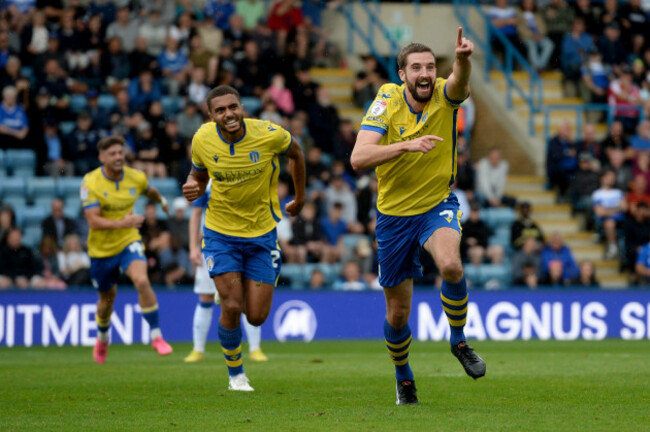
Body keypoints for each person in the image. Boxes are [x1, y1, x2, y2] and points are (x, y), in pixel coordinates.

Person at [350, 30, 486, 406]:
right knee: (398, 314)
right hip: (394, 217)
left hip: (434, 205)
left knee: (451, 264)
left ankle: (458, 340)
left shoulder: (446, 94)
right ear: (402, 75)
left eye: (430, 66)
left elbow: (458, 82)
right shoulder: (386, 101)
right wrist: (406, 145)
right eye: (416, 68)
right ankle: (403, 376)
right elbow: (358, 158)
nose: (425, 73)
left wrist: (462, 60)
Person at [182, 85, 305, 392]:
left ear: (242, 107)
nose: (229, 114)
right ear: (211, 116)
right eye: (220, 110)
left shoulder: (269, 134)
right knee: (232, 305)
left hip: (262, 235)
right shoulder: (202, 138)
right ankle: (236, 374)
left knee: (258, 317)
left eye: (233, 107)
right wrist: (191, 185)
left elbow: (297, 153)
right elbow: (197, 175)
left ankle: (243, 298)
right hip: (220, 235)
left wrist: (300, 197)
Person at [81, 135, 173, 364]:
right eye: (112, 154)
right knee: (106, 302)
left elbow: (148, 190)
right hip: (101, 250)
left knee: (142, 281)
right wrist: (121, 223)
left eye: (120, 152)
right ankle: (102, 338)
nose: (118, 157)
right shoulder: (90, 182)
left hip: (128, 240)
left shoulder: (135, 177)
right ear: (102, 157)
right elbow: (93, 221)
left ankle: (156, 336)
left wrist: (161, 200)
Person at [184, 179, 268, 364]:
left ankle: (255, 348)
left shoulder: (244, 175)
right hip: (213, 245)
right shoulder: (207, 182)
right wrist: (192, 247)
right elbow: (196, 212)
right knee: (206, 296)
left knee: (245, 295)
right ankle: (198, 349)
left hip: (242, 244)